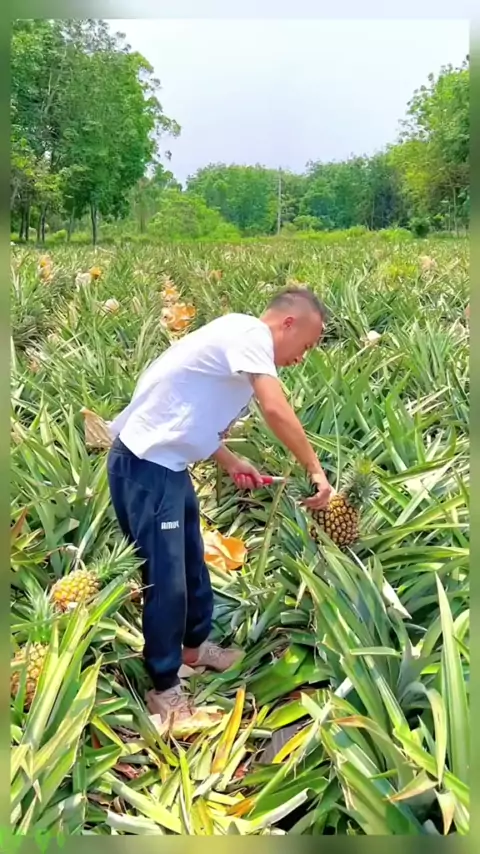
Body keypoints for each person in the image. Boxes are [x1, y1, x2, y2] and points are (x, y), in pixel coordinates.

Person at [107, 286, 334, 724]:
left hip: (168, 466)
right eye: (306, 345)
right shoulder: (250, 334)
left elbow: (189, 412)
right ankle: (165, 688)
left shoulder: (236, 344)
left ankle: (194, 648)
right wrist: (314, 468)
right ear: (287, 323)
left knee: (191, 562)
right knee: (166, 580)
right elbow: (275, 408)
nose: (302, 357)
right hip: (144, 467)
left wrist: (230, 461)